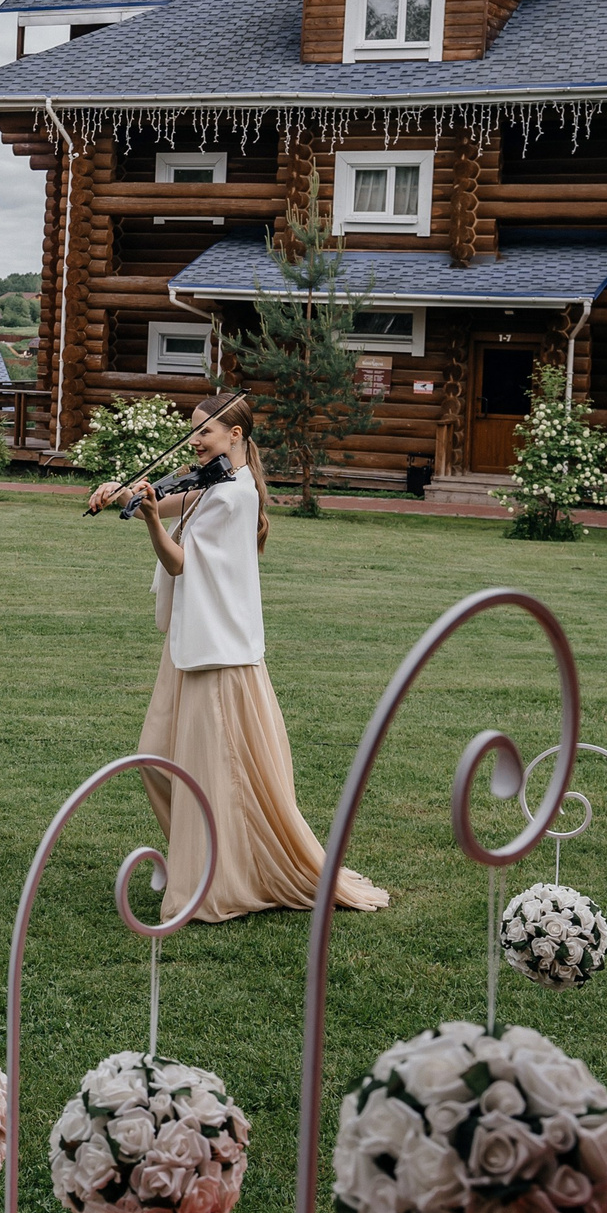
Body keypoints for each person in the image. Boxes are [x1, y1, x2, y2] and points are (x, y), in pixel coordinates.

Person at [92, 393, 388, 922]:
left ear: (235, 435)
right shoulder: (213, 483)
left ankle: (213, 878)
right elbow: (168, 499)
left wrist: (151, 520)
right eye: (193, 431)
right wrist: (123, 491)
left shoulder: (233, 495)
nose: (195, 440)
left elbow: (180, 562)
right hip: (189, 645)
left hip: (217, 654)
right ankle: (201, 859)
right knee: (156, 757)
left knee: (210, 775)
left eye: (204, 431)